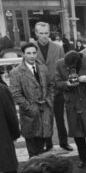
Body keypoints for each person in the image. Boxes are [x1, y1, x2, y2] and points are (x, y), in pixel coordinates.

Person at [53, 51, 86, 168]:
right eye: (68, 67)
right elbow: (56, 83)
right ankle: (83, 159)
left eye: (72, 67)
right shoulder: (60, 63)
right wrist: (67, 84)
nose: (70, 69)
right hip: (72, 105)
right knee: (78, 135)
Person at [9, 43, 54, 159]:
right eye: (28, 53)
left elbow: (50, 85)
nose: (32, 56)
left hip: (45, 112)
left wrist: (49, 100)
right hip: (30, 115)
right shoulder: (16, 72)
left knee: (43, 146)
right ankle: (35, 171)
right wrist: (30, 108)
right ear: (23, 54)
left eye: (34, 53)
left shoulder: (43, 68)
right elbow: (15, 94)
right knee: (33, 149)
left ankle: (42, 170)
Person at [33, 22, 71, 151]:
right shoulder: (30, 49)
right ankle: (47, 143)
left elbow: (63, 67)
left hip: (56, 89)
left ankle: (63, 142)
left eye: (46, 33)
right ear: (36, 33)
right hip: (40, 91)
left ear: (50, 33)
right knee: (45, 119)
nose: (44, 36)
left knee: (60, 118)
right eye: (41, 33)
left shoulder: (58, 48)